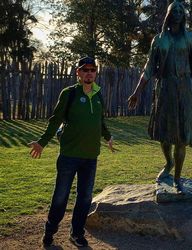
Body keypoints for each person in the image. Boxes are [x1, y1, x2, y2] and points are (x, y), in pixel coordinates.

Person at [128, 0, 192, 193]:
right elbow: (148, 69)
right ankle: (169, 162)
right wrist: (137, 92)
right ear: (169, 14)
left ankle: (178, 178)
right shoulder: (159, 39)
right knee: (165, 134)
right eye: (175, 10)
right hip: (165, 88)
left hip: (185, 89)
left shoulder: (190, 38)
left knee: (182, 137)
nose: (179, 12)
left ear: (184, 15)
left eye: (182, 10)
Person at [28, 56, 114, 247]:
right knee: (60, 197)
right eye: (85, 70)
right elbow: (55, 120)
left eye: (92, 70)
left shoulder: (99, 94)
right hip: (69, 156)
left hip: (91, 157)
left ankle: (76, 233)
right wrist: (42, 142)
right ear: (78, 73)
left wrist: (108, 137)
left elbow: (100, 122)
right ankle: (50, 231)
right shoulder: (69, 94)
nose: (89, 73)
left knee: (85, 198)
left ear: (95, 73)